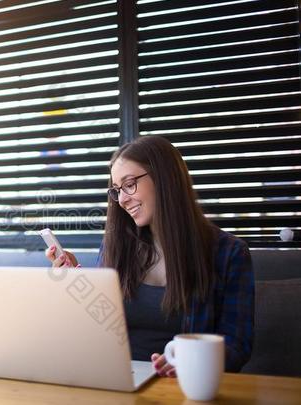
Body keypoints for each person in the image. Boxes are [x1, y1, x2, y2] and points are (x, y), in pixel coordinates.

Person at [45, 136, 254, 376]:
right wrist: (77, 287)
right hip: (118, 379)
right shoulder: (115, 246)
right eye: (116, 190)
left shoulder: (229, 254)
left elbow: (239, 346)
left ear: (165, 179)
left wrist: (190, 359)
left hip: (187, 385)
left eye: (130, 184)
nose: (122, 199)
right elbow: (96, 331)